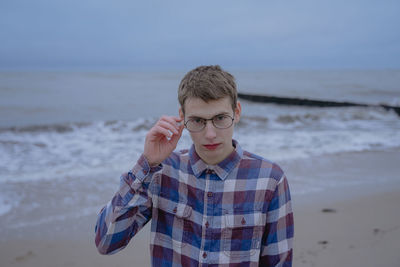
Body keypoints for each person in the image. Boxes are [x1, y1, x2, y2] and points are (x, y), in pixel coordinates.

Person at [95, 65, 294, 266]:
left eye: (220, 118)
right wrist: (146, 164)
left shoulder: (270, 179)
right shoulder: (161, 171)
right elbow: (106, 242)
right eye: (197, 120)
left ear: (237, 112)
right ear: (182, 117)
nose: (210, 134)